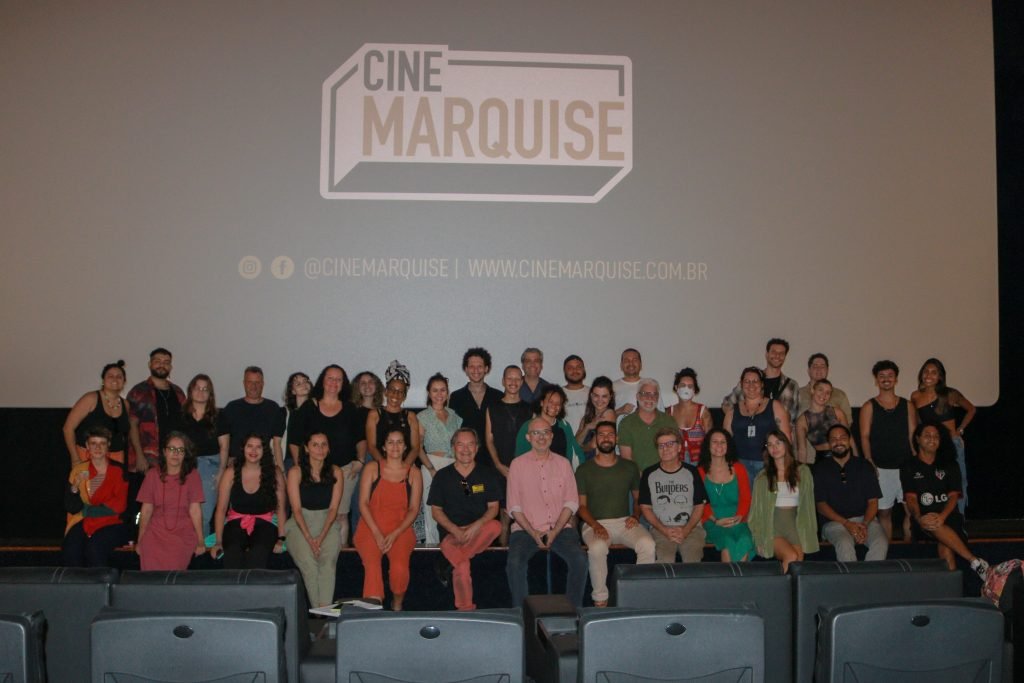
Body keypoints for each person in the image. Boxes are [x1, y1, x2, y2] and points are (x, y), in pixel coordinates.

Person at [506, 417, 588, 608]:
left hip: (560, 528)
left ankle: (573, 613)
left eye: (545, 432)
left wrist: (555, 531)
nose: (541, 437)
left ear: (551, 436)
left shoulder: (564, 464)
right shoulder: (517, 465)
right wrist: (533, 532)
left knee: (580, 561)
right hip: (525, 530)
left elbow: (571, 502)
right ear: (528, 437)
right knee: (514, 564)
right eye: (536, 433)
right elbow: (514, 507)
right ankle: (521, 616)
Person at [576, 421, 655, 606]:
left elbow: (637, 499)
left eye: (610, 434)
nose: (606, 438)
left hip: (624, 521)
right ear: (595, 440)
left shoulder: (629, 467)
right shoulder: (584, 469)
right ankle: (600, 600)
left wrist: (635, 516)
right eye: (601, 434)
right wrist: (596, 525)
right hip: (593, 523)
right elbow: (581, 507)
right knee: (597, 548)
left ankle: (638, 598)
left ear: (617, 439)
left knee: (648, 544)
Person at [288, 365, 366, 546]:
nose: (333, 383)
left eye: (338, 379)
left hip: (345, 471)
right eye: (330, 378)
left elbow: (361, 439)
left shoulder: (350, 409)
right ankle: (313, 548)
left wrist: (360, 460)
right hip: (312, 471)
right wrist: (302, 467)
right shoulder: (309, 407)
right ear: (322, 381)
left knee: (340, 515)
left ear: (343, 384)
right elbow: (294, 440)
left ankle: (342, 556)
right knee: (315, 515)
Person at [428, 428, 503, 610]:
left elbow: (494, 508)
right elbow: (436, 511)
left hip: (478, 531)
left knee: (495, 527)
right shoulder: (442, 476)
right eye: (460, 444)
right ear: (453, 448)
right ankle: (466, 609)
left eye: (470, 444)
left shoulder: (488, 474)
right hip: (450, 535)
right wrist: (455, 530)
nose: (466, 449)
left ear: (477, 448)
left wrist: (475, 527)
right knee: (462, 566)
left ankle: (447, 561)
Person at [902, 423, 989, 579]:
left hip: (948, 516)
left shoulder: (950, 464)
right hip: (923, 519)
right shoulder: (909, 466)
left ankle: (953, 594)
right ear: (918, 439)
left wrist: (942, 516)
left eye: (936, 436)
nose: (932, 440)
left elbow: (953, 496)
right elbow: (911, 498)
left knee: (945, 545)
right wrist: (918, 517)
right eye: (927, 436)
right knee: (931, 522)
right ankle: (975, 562)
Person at [353, 429, 423, 610]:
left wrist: (396, 533)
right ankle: (373, 612)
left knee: (399, 569)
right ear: (384, 447)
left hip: (401, 528)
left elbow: (414, 509)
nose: (395, 446)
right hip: (370, 527)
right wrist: (376, 533)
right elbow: (363, 504)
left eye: (399, 442)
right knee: (372, 566)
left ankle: (397, 605)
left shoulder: (414, 473)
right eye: (390, 442)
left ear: (405, 447)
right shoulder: (372, 468)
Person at [859, 360, 917, 541]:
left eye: (890, 376)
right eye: (882, 376)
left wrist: (917, 462)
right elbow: (864, 436)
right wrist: (869, 460)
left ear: (896, 379)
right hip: (881, 469)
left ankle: (910, 551)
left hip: (906, 467)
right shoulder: (869, 406)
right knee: (884, 513)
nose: (886, 379)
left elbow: (912, 435)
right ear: (876, 380)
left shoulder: (907, 405)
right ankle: (888, 556)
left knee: (912, 511)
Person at [285, 432, 344, 607]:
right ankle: (319, 612)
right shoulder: (295, 472)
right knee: (309, 565)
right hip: (300, 523)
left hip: (327, 523)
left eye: (324, 444)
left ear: (329, 448)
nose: (320, 449)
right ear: (307, 448)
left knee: (328, 564)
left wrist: (321, 537)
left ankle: (323, 612)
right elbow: (296, 509)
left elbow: (334, 509)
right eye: (315, 445)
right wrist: (311, 540)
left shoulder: (336, 472)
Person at [211, 434, 287, 569]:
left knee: (258, 553)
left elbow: (281, 508)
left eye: (258, 447)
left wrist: (281, 539)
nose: (253, 451)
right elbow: (221, 509)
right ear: (243, 449)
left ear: (264, 451)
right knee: (232, 551)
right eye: (250, 446)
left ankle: (253, 590)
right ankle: (234, 589)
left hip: (266, 523)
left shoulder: (275, 473)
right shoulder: (230, 472)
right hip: (236, 522)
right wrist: (218, 541)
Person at [911, 358, 976, 514]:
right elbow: (918, 423)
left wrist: (960, 430)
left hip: (951, 444)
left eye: (934, 372)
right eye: (926, 371)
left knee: (958, 483)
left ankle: (959, 521)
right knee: (935, 484)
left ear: (940, 376)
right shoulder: (915, 396)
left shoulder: (949, 394)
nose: (929, 375)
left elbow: (971, 409)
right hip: (931, 447)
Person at [814, 424, 888, 562]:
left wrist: (864, 525)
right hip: (834, 523)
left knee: (881, 542)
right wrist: (847, 523)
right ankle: (851, 583)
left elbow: (873, 502)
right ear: (829, 444)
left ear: (849, 441)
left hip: (865, 521)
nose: (838, 442)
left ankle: (868, 581)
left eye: (842, 438)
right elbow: (821, 505)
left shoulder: (864, 466)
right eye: (833, 439)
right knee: (845, 543)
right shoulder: (821, 469)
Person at [748, 430, 819, 572]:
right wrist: (758, 537)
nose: (774, 448)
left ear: (786, 444)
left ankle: (789, 593)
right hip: (772, 527)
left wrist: (811, 532)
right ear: (766, 449)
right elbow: (755, 513)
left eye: (778, 443)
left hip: (795, 526)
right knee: (791, 556)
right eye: (770, 444)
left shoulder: (803, 472)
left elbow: (809, 507)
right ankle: (778, 593)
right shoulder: (762, 477)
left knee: (798, 563)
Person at [136, 431, 206, 570]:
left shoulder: (192, 476)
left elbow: (195, 510)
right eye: (172, 449)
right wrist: (140, 540)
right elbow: (146, 510)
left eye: (180, 450)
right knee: (150, 576)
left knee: (172, 577)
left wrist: (200, 540)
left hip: (182, 534)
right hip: (155, 533)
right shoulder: (152, 475)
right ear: (164, 452)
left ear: (185, 454)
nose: (176, 453)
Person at [63, 426, 130, 567]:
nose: (98, 448)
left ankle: (101, 586)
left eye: (102, 443)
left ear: (108, 446)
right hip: (85, 521)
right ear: (87, 446)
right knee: (71, 548)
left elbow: (119, 506)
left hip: (113, 522)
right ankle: (77, 587)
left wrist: (87, 510)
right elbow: (72, 506)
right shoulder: (78, 471)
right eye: (93, 443)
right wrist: (75, 486)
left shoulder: (119, 470)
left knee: (95, 548)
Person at [639, 428, 708, 563]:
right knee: (665, 561)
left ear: (679, 447)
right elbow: (645, 508)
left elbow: (699, 505)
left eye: (670, 444)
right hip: (661, 529)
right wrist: (664, 530)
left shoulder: (692, 471)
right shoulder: (649, 474)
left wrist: (686, 530)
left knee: (692, 560)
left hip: (691, 529)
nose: (665, 449)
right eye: (661, 446)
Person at [484, 365, 533, 544]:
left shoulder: (530, 409)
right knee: (503, 516)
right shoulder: (492, 408)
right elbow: (489, 439)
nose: (513, 382)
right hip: (499, 469)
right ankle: (502, 559)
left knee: (525, 516)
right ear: (503, 381)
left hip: (525, 471)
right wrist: (498, 465)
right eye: (509, 379)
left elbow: (534, 440)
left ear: (522, 381)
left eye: (517, 379)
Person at [723, 367, 792, 483]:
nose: (751, 385)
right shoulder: (732, 411)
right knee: (746, 500)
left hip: (768, 465)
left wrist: (785, 466)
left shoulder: (775, 406)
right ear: (741, 385)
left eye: (755, 381)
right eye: (747, 381)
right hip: (740, 466)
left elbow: (786, 438)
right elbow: (725, 442)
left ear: (762, 384)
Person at [418, 373, 463, 545]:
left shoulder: (454, 415)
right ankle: (431, 549)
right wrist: (430, 468)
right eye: (435, 390)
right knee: (431, 511)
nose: (439, 394)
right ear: (429, 393)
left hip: (454, 466)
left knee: (454, 508)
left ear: (447, 392)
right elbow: (417, 447)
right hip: (431, 465)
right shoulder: (422, 416)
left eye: (442, 390)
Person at [697, 428, 755, 562]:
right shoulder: (700, 472)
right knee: (728, 542)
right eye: (715, 442)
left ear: (728, 446)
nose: (719, 445)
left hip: (738, 520)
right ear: (708, 446)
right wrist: (715, 520)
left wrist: (739, 517)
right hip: (713, 522)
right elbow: (700, 503)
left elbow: (746, 498)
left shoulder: (739, 468)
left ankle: (740, 581)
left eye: (723, 442)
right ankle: (731, 582)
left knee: (745, 540)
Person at [218, 366, 286, 474]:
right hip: (235, 464)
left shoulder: (273, 409)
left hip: (264, 464)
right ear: (244, 383)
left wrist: (282, 472)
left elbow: (277, 445)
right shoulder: (231, 408)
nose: (254, 386)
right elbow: (224, 445)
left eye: (257, 382)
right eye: (250, 382)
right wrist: (222, 470)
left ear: (263, 384)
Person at [63, 360, 132, 467]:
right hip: (87, 458)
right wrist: (75, 458)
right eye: (110, 376)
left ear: (124, 381)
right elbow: (68, 428)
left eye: (119, 376)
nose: (115, 379)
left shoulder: (125, 404)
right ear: (103, 380)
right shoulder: (90, 398)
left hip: (116, 461)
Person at [127, 348, 185, 472]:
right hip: (147, 459)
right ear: (150, 364)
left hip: (172, 458)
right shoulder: (139, 391)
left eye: (166, 362)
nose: (162, 365)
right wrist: (139, 456)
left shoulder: (178, 392)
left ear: (170, 366)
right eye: (157, 361)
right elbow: (131, 424)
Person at [723, 338, 800, 423]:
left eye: (781, 353)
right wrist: (743, 422)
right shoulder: (750, 381)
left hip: (779, 434)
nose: (777, 356)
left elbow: (795, 417)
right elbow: (727, 405)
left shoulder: (792, 385)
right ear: (767, 354)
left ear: (785, 357)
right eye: (774, 352)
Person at [181, 374, 221, 535]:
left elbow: (224, 447)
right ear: (190, 391)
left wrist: (220, 473)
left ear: (210, 394)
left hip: (210, 467)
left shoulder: (218, 416)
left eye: (205, 389)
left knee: (204, 513)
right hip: (184, 466)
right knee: (183, 512)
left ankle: (200, 547)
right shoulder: (181, 416)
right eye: (198, 388)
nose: (201, 392)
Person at [619, 378, 684, 473]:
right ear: (637, 396)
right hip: (637, 479)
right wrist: (642, 479)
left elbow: (675, 453)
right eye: (645, 394)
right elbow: (627, 459)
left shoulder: (669, 421)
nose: (650, 398)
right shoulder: (626, 423)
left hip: (665, 478)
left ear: (658, 398)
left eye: (654, 394)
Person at [514, 385, 585, 469]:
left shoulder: (565, 426)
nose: (554, 406)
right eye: (550, 402)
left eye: (558, 403)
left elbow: (576, 452)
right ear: (542, 402)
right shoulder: (528, 427)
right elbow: (519, 457)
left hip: (561, 477)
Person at [449, 348, 504, 456]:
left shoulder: (498, 396)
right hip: (466, 456)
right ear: (466, 369)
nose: (476, 370)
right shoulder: (456, 397)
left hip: (493, 457)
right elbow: (453, 430)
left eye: (480, 366)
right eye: (471, 367)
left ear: (486, 369)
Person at [366, 368, 421, 468]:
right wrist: (386, 467)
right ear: (386, 392)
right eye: (392, 389)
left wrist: (404, 467)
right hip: (380, 465)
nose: (396, 394)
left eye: (400, 392)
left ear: (404, 396)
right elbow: (371, 447)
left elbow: (415, 448)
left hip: (406, 466)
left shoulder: (411, 416)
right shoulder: (374, 414)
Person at [794, 379, 850, 464]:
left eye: (828, 392)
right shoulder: (802, 421)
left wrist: (856, 460)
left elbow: (849, 439)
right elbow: (802, 450)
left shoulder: (838, 412)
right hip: (822, 460)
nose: (824, 395)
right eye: (820, 390)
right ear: (812, 390)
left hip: (843, 456)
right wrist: (802, 472)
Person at [667, 367, 713, 464]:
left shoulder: (703, 412)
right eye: (682, 385)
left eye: (690, 386)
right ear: (676, 388)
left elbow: (711, 440)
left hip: (700, 463)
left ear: (695, 390)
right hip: (676, 463)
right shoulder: (668, 412)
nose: (686, 389)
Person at [796, 353, 852, 420]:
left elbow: (848, 422)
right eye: (815, 366)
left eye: (822, 366)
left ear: (827, 370)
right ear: (809, 371)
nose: (819, 369)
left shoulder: (840, 395)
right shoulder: (798, 393)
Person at [574, 376, 617, 457]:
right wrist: (587, 427)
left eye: (604, 396)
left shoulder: (609, 414)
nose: (599, 400)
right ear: (591, 395)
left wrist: (580, 449)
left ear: (610, 397)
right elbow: (575, 443)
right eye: (596, 396)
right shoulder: (586, 417)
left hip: (601, 465)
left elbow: (594, 444)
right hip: (586, 464)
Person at [613, 348, 662, 415]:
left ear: (641, 365)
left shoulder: (651, 385)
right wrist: (619, 411)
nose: (631, 363)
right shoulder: (612, 387)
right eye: (626, 360)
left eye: (635, 360)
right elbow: (605, 417)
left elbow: (661, 412)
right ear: (621, 365)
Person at [281, 371, 311, 471]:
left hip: (314, 458)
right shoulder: (288, 412)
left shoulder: (317, 410)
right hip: (292, 461)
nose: (303, 385)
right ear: (293, 391)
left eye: (305, 381)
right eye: (298, 384)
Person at [562, 355, 590, 432]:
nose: (575, 370)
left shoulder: (593, 393)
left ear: (584, 370)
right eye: (570, 368)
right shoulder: (557, 394)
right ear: (564, 371)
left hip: (589, 442)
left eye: (578, 367)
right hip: (565, 441)